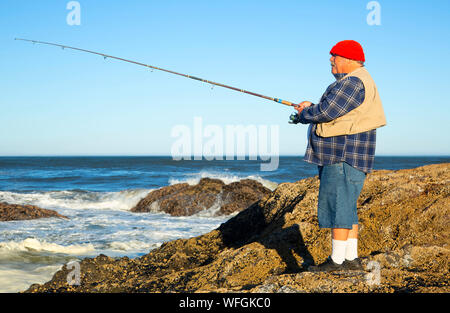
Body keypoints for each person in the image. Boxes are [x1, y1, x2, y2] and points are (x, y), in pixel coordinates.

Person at [290, 40, 386, 272]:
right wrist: (310, 107)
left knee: (338, 207)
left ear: (349, 59)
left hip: (341, 155)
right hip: (350, 155)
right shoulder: (358, 81)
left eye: (335, 56)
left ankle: (337, 262)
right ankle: (351, 259)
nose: (331, 60)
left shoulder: (353, 82)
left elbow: (326, 112)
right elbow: (335, 110)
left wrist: (305, 114)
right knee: (347, 207)